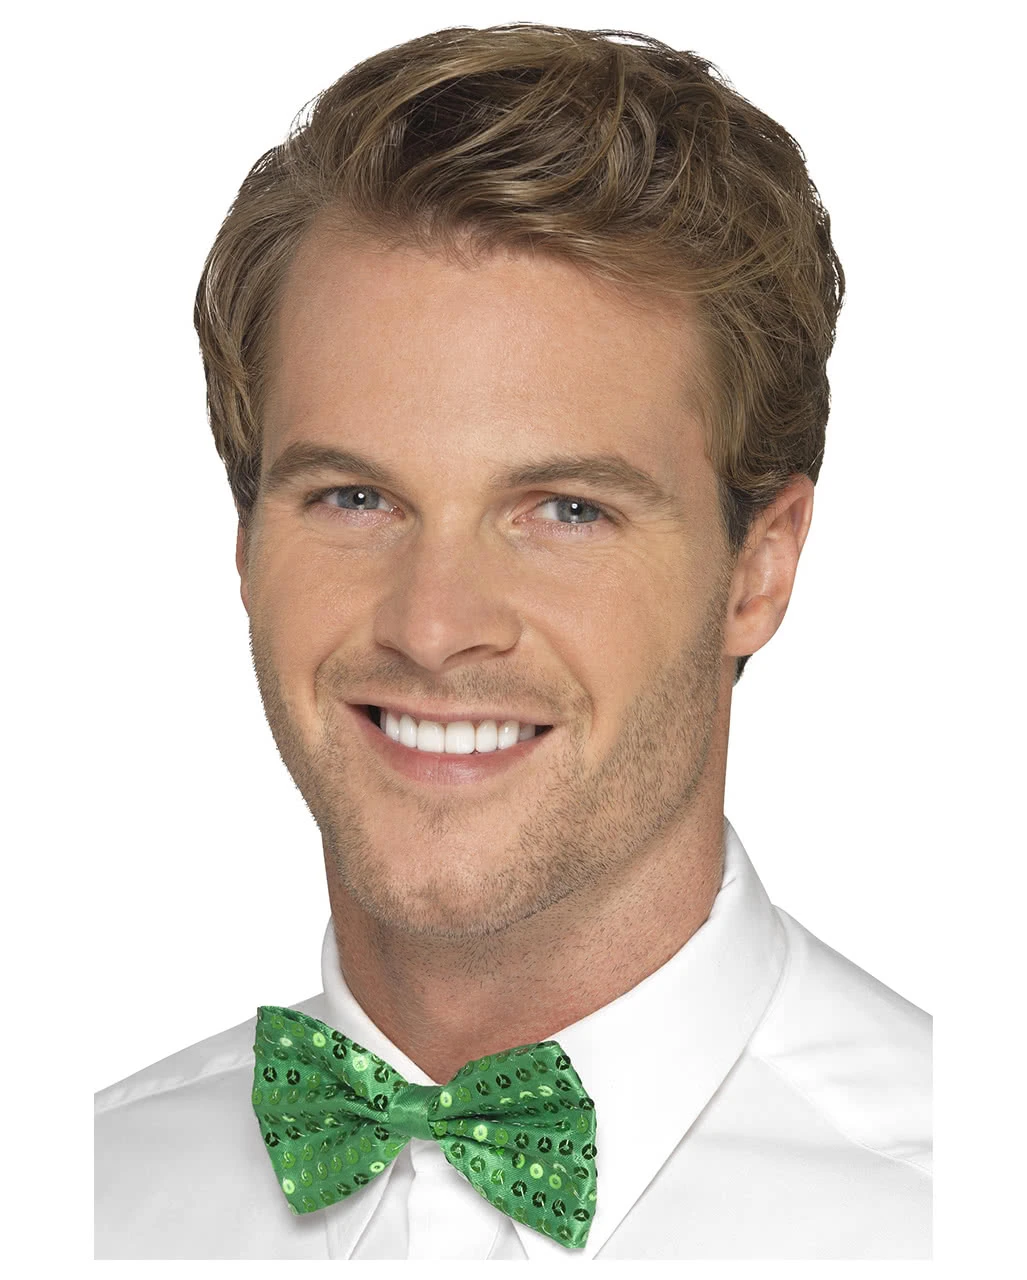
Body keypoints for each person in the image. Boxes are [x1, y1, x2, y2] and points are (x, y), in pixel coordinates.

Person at [94, 21, 931, 1260]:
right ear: (244, 539)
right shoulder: (81, 1193)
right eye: (354, 497)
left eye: (566, 510)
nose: (434, 626)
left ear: (759, 568)